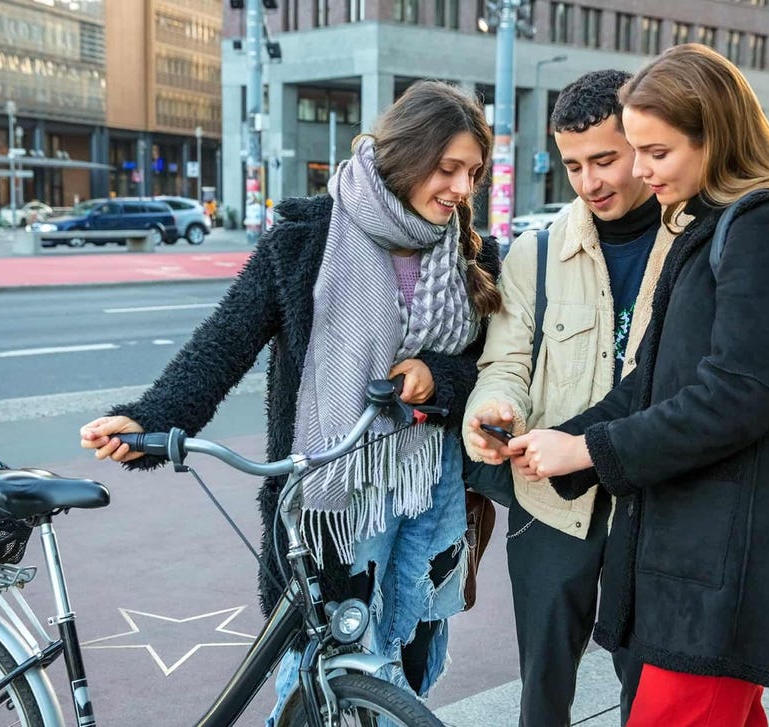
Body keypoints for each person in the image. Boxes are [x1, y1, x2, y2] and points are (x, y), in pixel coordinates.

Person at [80, 80, 502, 707]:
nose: (463, 190)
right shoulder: (306, 239)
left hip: (427, 487)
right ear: (408, 158)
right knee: (324, 657)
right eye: (448, 170)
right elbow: (225, 341)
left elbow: (488, 365)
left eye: (472, 173)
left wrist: (441, 377)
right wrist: (147, 422)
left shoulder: (468, 252)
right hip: (329, 500)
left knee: (407, 649)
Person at [514, 43, 769, 726]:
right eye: (633, 150)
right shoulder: (711, 226)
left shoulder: (766, 228)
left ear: (715, 137)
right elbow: (653, 381)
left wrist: (588, 452)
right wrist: (569, 439)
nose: (639, 170)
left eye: (656, 152)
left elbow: (735, 397)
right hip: (696, 554)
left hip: (724, 558)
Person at [462, 69, 674, 726]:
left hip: (658, 508)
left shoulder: (694, 243)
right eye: (574, 165)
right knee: (544, 689)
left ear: (641, 142)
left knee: (652, 690)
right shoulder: (539, 250)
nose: (590, 182)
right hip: (549, 509)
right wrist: (492, 410)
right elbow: (505, 362)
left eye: (605, 159)